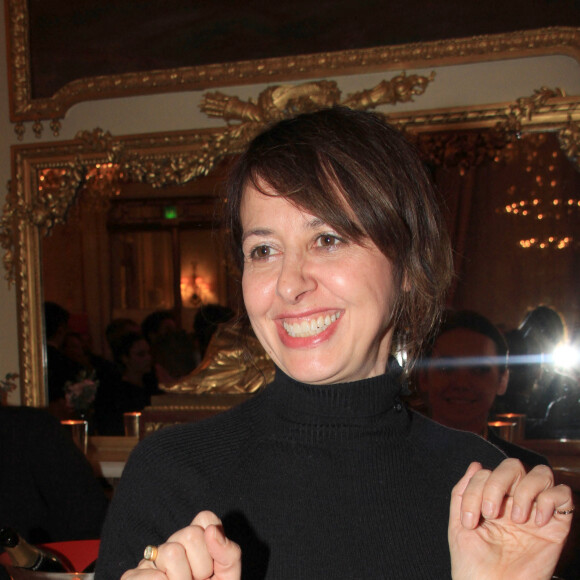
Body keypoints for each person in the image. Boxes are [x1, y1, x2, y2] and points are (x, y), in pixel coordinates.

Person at [97, 108, 573, 580]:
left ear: (408, 265)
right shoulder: (172, 474)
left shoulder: (487, 493)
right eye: (263, 250)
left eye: (327, 239)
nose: (289, 283)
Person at [418, 309, 549, 470]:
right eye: (446, 368)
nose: (461, 384)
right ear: (424, 377)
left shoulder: (527, 468)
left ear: (502, 381)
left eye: (479, 370)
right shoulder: (393, 460)